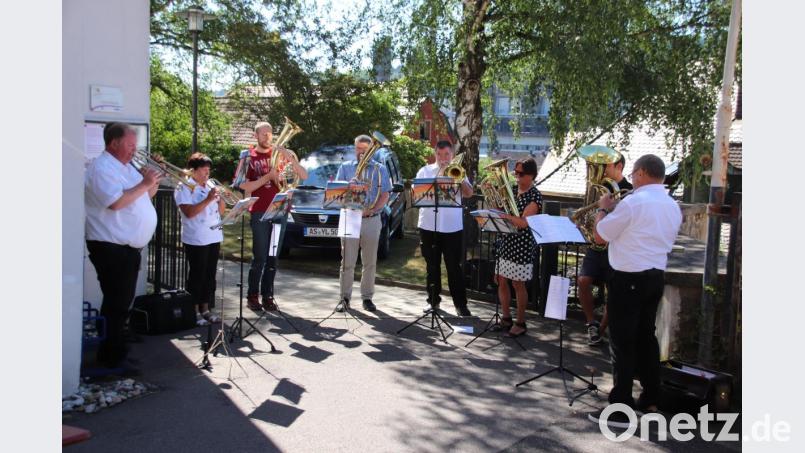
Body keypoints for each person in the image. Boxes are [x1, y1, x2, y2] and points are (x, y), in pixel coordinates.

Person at [588, 154, 682, 427]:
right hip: (655, 275)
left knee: (622, 342)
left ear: (640, 173)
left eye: (634, 172)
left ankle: (620, 407)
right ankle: (651, 398)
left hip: (628, 276)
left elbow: (600, 236)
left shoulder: (633, 202)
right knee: (646, 338)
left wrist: (604, 209)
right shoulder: (672, 205)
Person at [85, 122, 161, 370]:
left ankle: (115, 350)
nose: (133, 149)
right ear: (113, 143)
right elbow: (115, 203)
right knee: (117, 303)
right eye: (130, 145)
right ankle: (112, 358)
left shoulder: (126, 167)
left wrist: (153, 179)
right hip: (110, 245)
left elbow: (145, 195)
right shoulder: (102, 168)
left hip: (126, 247)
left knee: (120, 302)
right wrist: (144, 182)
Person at [235, 121, 307, 312]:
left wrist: (289, 158)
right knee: (259, 256)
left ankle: (267, 295)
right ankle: (252, 295)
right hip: (259, 211)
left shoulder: (281, 154)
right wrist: (268, 177)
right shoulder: (247, 156)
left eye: (270, 133)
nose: (268, 137)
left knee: (273, 257)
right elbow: (242, 186)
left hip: (279, 211)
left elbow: (303, 175)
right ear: (256, 136)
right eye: (263, 134)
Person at [577, 152, 633, 345]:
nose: (601, 168)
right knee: (583, 281)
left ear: (619, 167)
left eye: (606, 165)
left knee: (613, 289)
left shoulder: (629, 191)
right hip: (596, 245)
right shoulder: (598, 188)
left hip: (614, 246)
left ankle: (600, 330)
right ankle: (591, 323)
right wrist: (584, 221)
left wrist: (608, 209)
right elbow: (590, 210)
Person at [335, 134, 393, 313]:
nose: (361, 153)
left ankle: (367, 298)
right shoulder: (345, 168)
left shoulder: (380, 169)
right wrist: (348, 187)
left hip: (371, 218)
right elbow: (336, 195)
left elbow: (385, 194)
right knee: (347, 261)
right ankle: (344, 298)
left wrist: (374, 209)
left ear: (372, 150)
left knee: (369, 262)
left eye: (365, 150)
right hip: (350, 216)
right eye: (358, 149)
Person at [415, 141, 474, 316]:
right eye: (440, 155)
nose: (443, 159)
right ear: (435, 154)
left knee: (454, 267)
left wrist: (460, 178)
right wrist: (438, 176)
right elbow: (417, 192)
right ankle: (433, 302)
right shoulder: (425, 171)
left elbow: (469, 193)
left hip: (452, 227)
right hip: (428, 226)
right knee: (431, 266)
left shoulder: (458, 170)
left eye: (447, 155)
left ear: (452, 154)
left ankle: (460, 305)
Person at [492, 158, 543, 337]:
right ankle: (506, 318)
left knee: (518, 283)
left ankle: (521, 322)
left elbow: (523, 223)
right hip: (507, 240)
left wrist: (504, 215)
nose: (516, 176)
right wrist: (494, 202)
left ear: (531, 176)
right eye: (516, 172)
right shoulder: (512, 190)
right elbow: (499, 209)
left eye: (521, 174)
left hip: (522, 244)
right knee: (501, 279)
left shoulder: (534, 196)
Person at [174, 153, 226, 326]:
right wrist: (209, 198)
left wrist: (221, 199)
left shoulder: (210, 184)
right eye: (203, 170)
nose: (207, 174)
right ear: (193, 171)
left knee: (210, 275)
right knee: (197, 274)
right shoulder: (184, 187)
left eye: (208, 170)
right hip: (196, 237)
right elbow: (189, 212)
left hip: (213, 235)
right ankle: (194, 310)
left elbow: (221, 211)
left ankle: (206, 308)